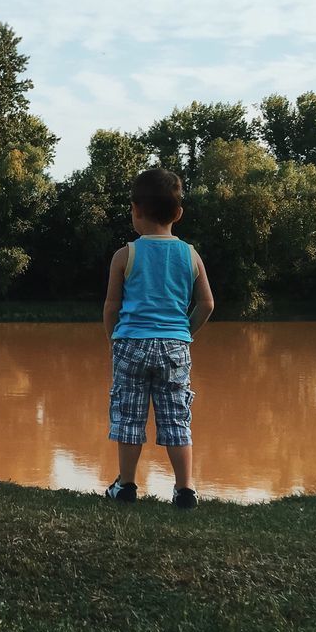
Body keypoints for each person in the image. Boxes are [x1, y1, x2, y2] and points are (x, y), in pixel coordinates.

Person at [101, 167, 214, 510]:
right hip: (174, 347)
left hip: (131, 344)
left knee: (129, 416)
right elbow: (207, 304)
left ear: (135, 209)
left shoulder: (125, 255)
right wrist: (184, 333)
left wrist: (114, 340)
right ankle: (185, 490)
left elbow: (111, 306)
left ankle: (126, 486)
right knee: (176, 417)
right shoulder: (191, 255)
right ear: (178, 213)